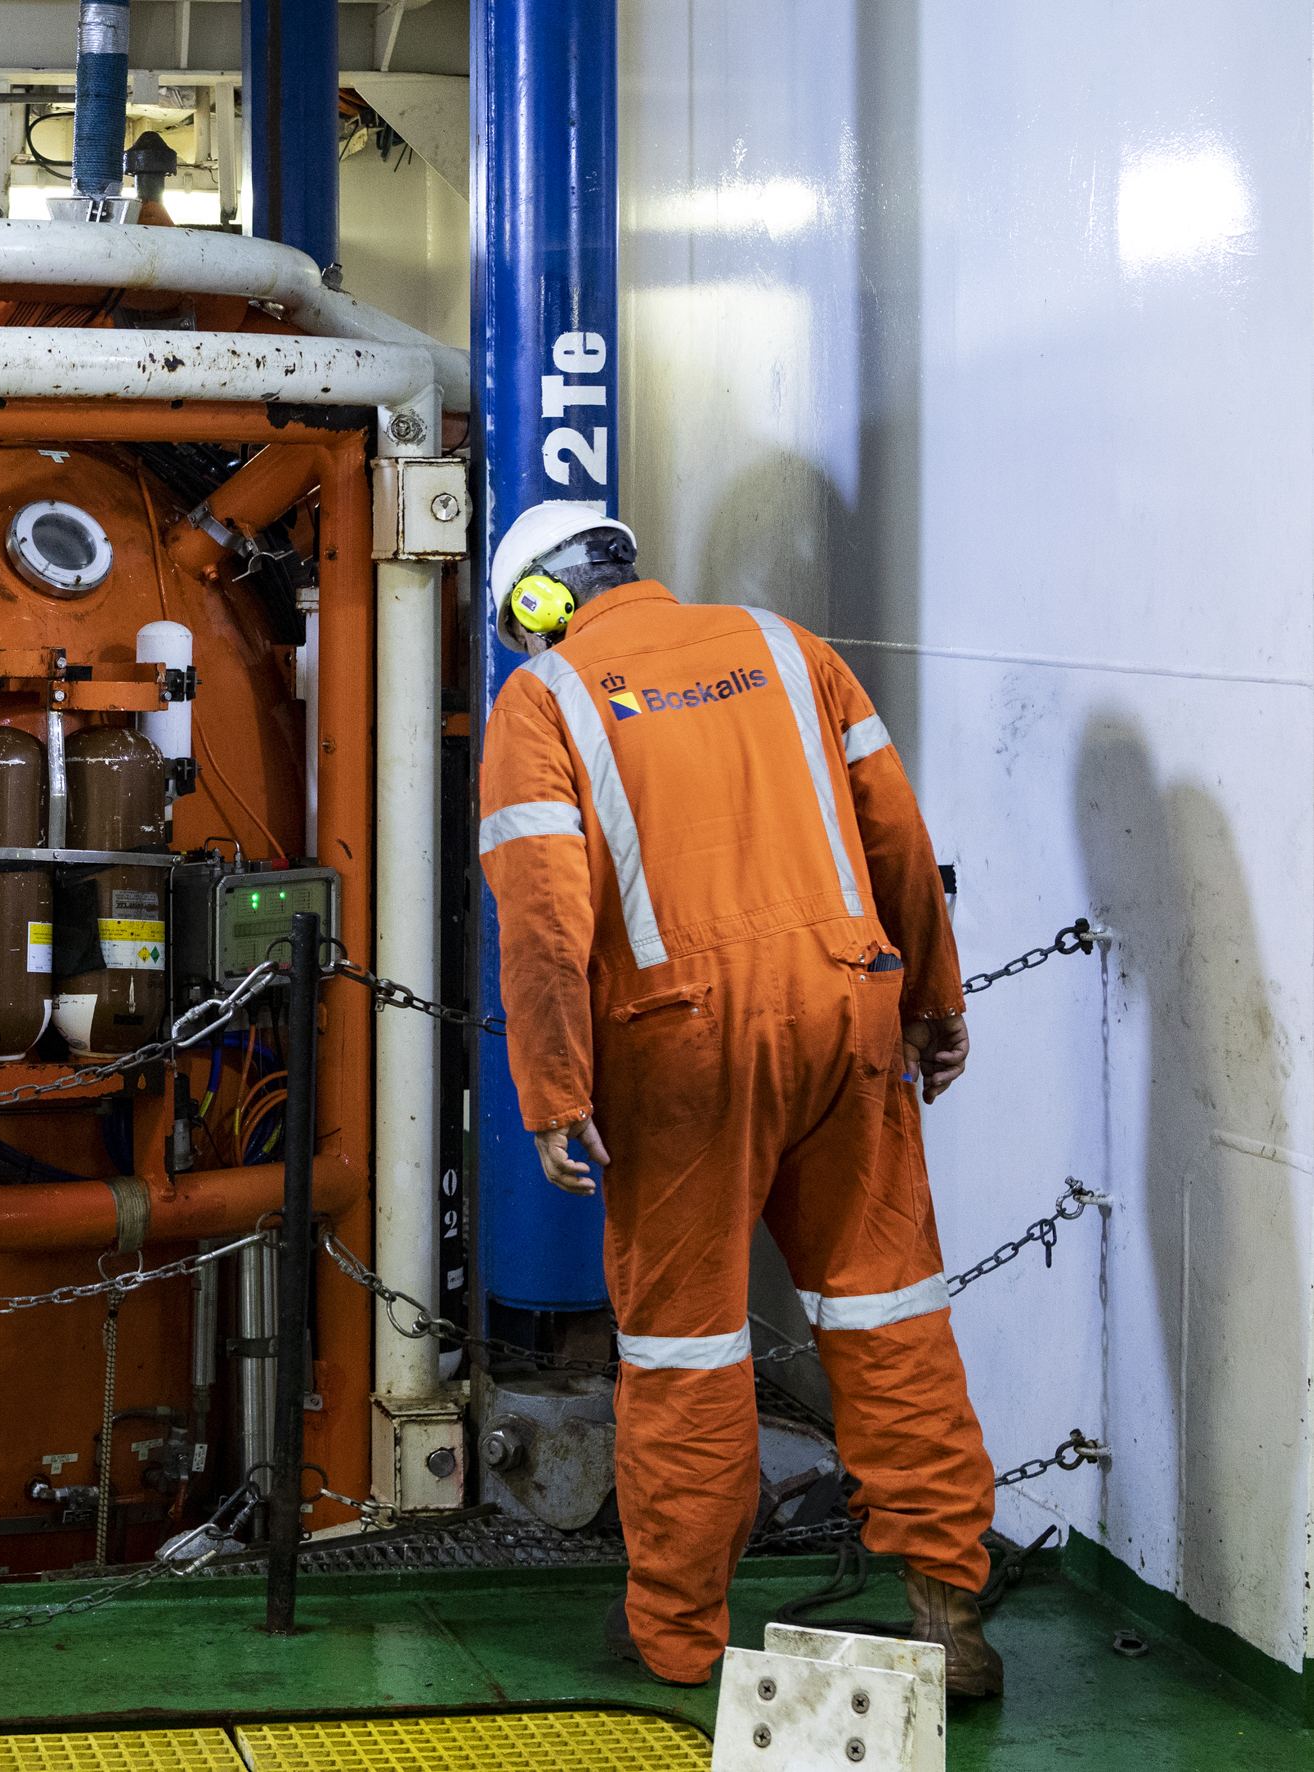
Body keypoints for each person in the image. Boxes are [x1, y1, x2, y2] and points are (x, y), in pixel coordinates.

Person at [476, 501, 1000, 1697]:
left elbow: (545, 919)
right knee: (890, 1312)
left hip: (680, 1052)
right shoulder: (789, 645)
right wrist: (936, 997)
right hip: (851, 1008)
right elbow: (897, 837)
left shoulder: (543, 698)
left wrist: (553, 1084)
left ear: (540, 606)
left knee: (684, 1346)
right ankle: (949, 1623)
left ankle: (679, 1634)